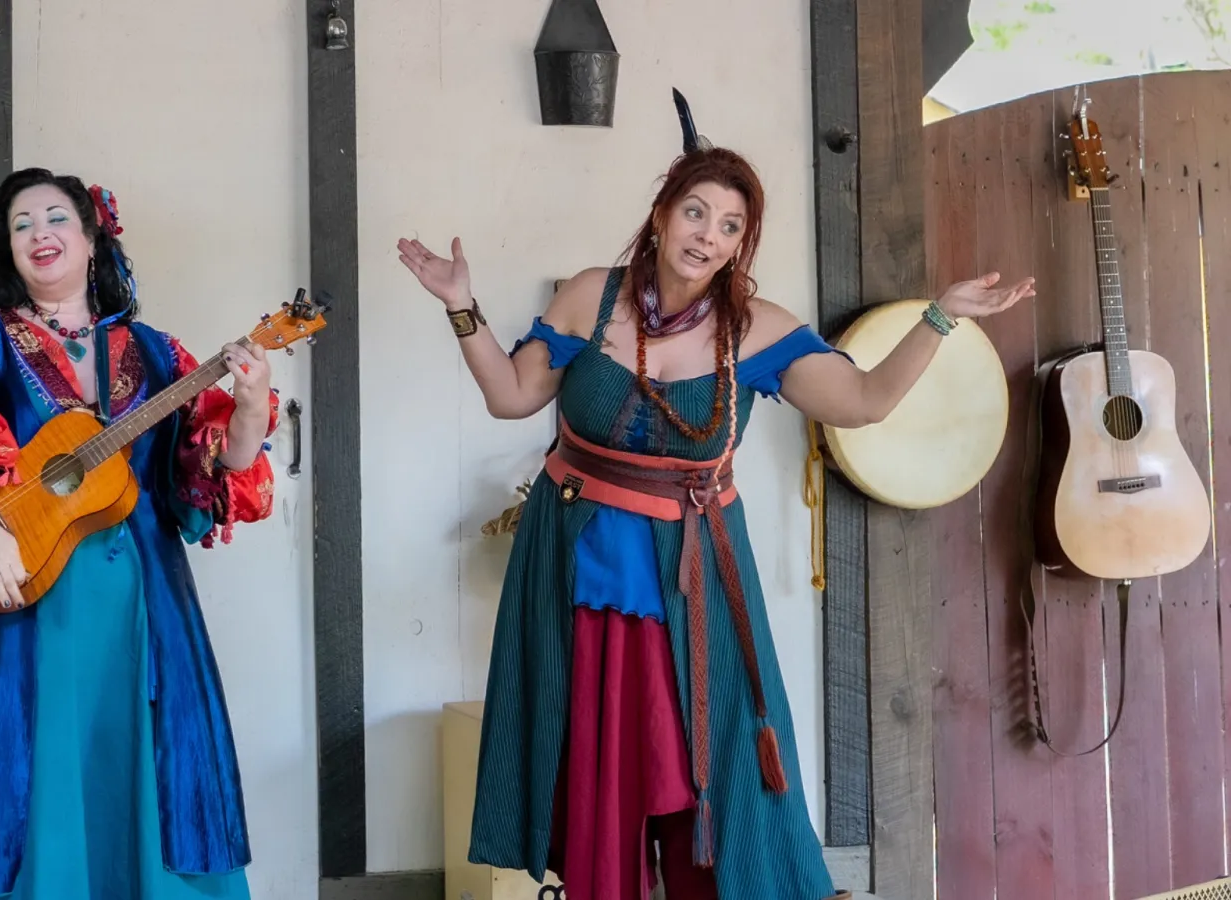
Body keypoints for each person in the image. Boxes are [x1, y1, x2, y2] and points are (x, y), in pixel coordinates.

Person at [396, 90, 1034, 900]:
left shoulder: (756, 330)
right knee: (602, 764)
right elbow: (513, 396)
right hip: (577, 567)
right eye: (696, 213)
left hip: (694, 576)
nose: (708, 235)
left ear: (740, 246)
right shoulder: (591, 296)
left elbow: (865, 402)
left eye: (729, 226)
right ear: (661, 217)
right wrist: (461, 306)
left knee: (717, 759)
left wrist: (940, 318)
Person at [0, 167, 278, 900]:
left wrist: (249, 405)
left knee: (135, 766)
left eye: (55, 219)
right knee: (32, 768)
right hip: (15, 588)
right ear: (7, 250)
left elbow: (214, 474)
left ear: (91, 238)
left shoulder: (157, 352)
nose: (38, 234)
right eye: (21, 225)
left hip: (139, 601)